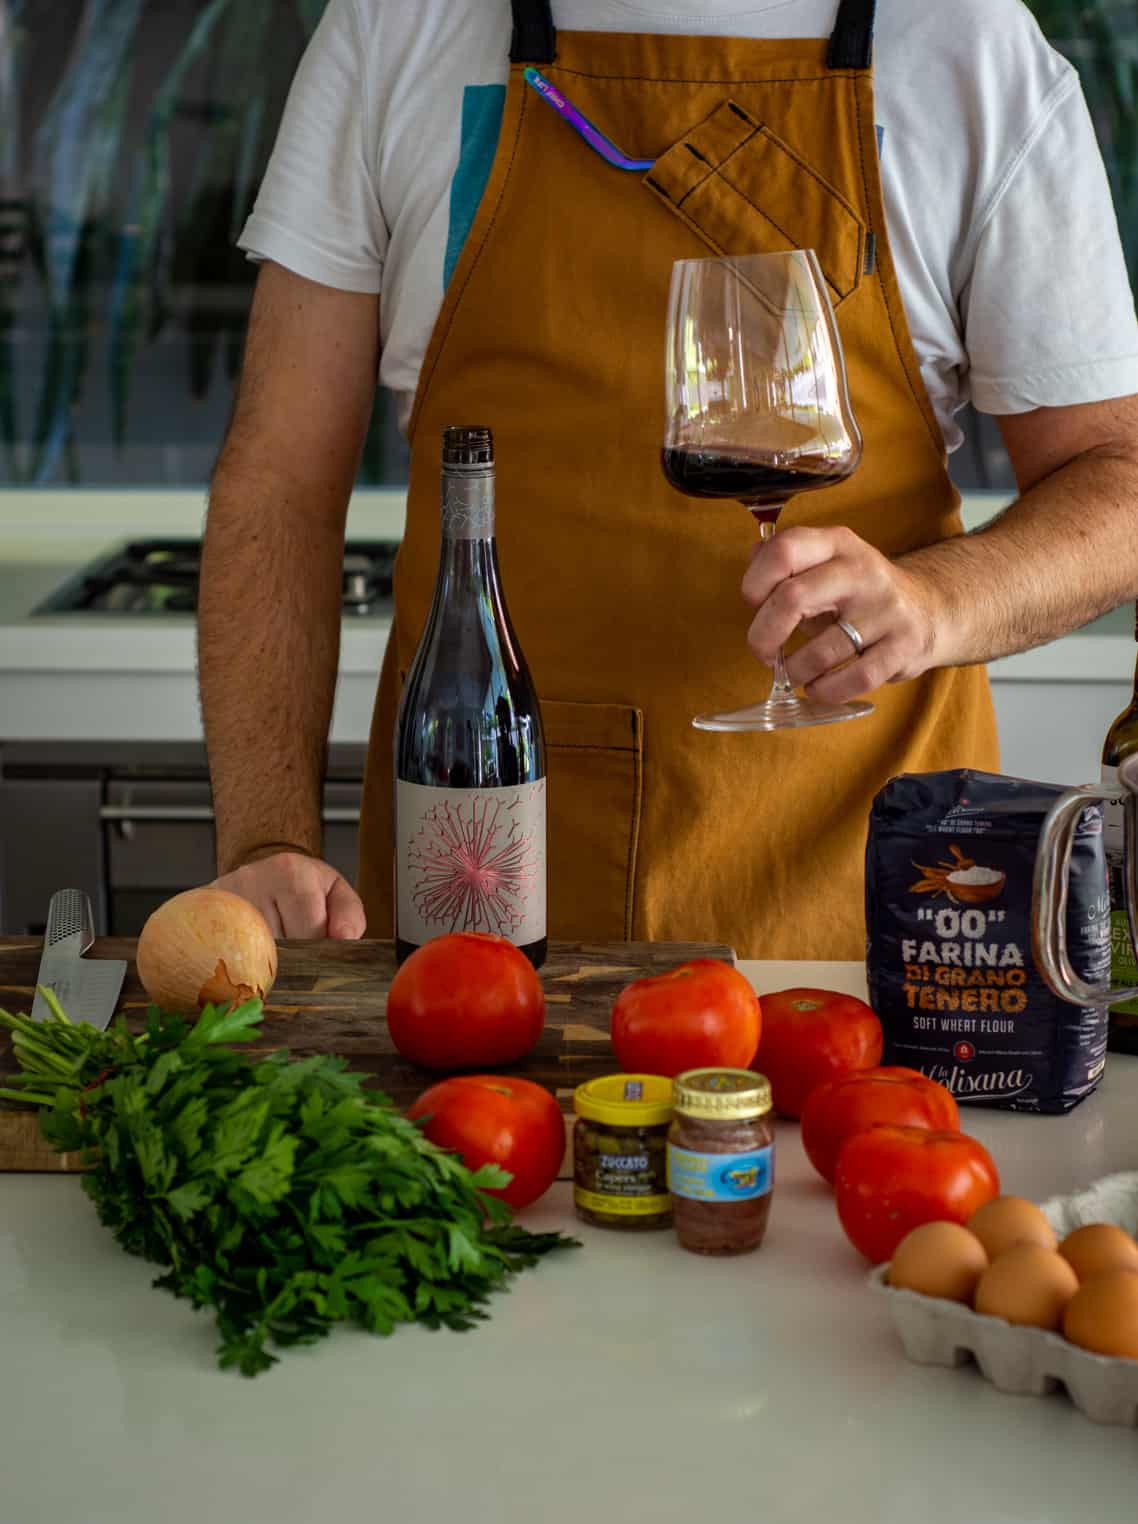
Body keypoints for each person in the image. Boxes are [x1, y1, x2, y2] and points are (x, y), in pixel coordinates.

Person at [199, 0, 1138, 960]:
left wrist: (937, 601)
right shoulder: (397, 26)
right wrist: (268, 840)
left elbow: (1122, 482)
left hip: (860, 894)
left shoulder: (969, 44)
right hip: (479, 884)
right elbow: (278, 484)